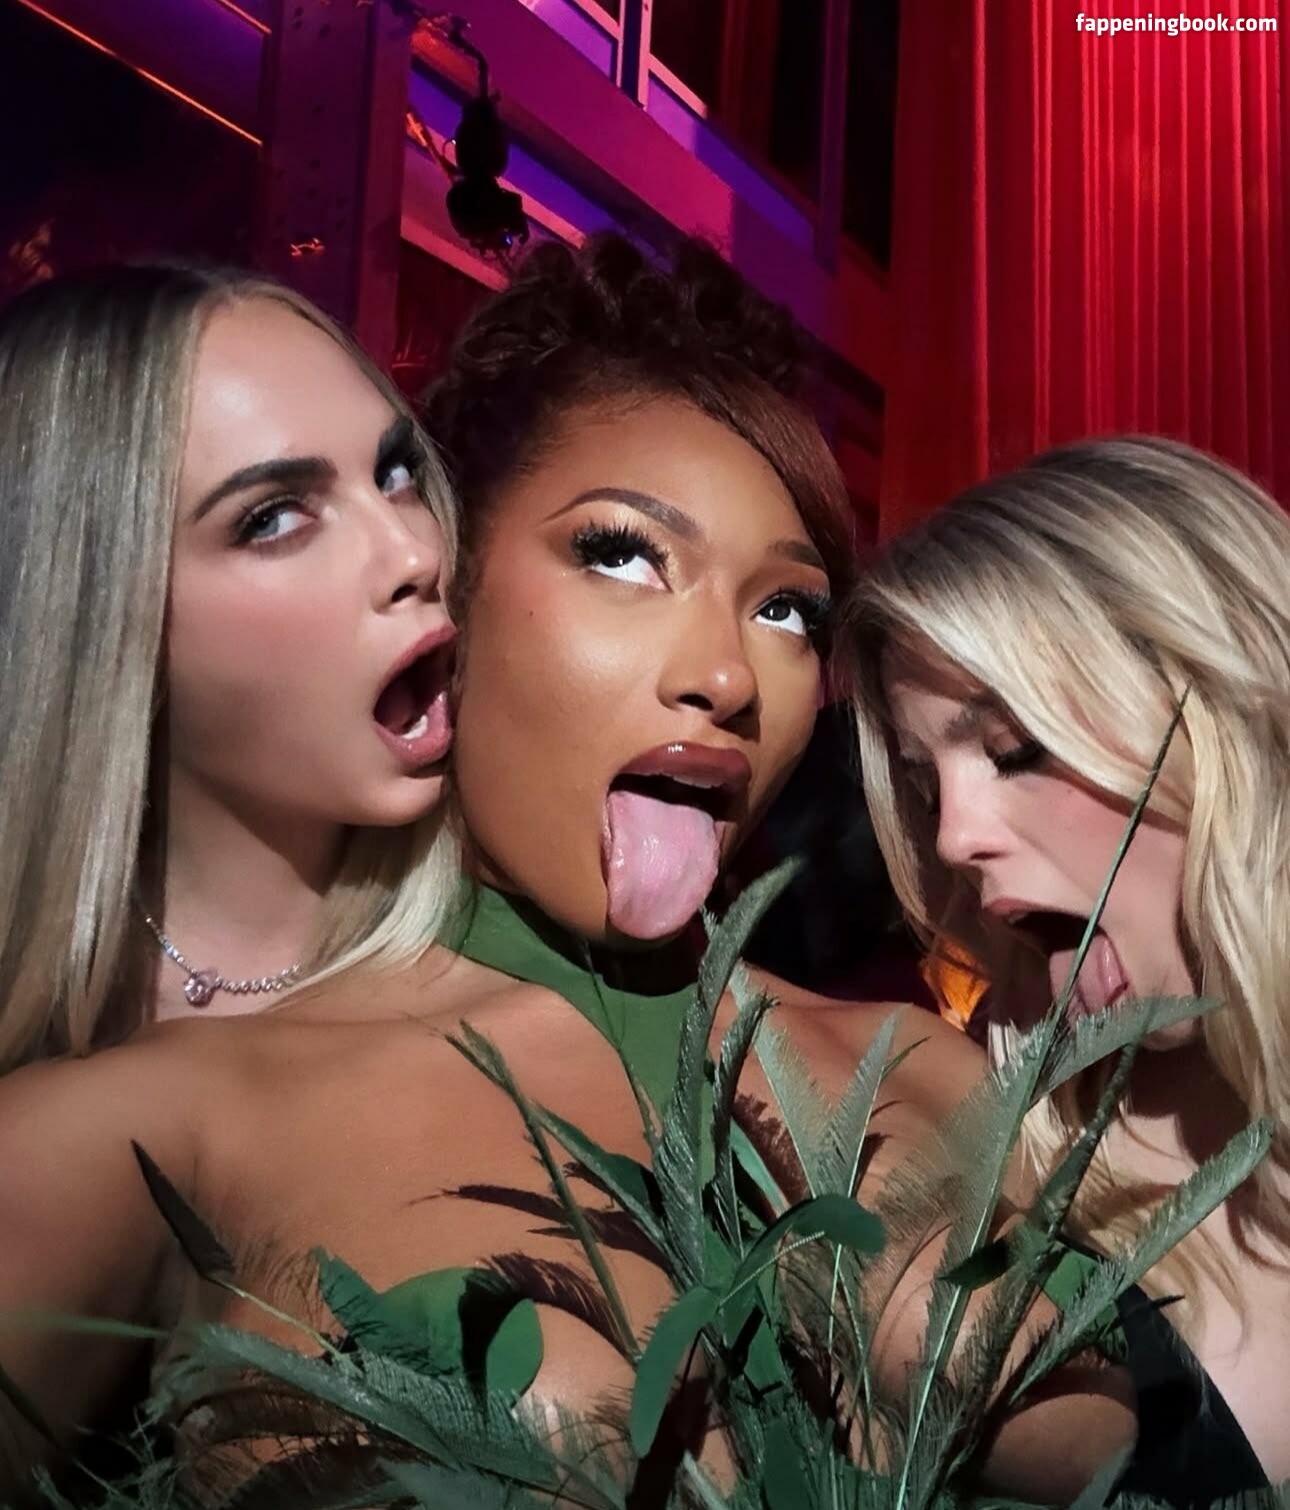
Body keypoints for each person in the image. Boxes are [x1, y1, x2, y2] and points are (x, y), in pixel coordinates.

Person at [1, 239, 1120, 1503]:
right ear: (463, 606)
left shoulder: (930, 1065)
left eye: (788, 609)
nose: (728, 675)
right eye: (623, 553)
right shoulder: (152, 1125)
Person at [847, 434, 1290, 1495]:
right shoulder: (982, 1215)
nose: (953, 835)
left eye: (1015, 748)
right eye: (926, 781)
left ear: (1230, 717)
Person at [0, 266, 460, 1070]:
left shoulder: (535, 962)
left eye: (395, 473)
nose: (414, 553)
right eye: (273, 518)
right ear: (93, 617)